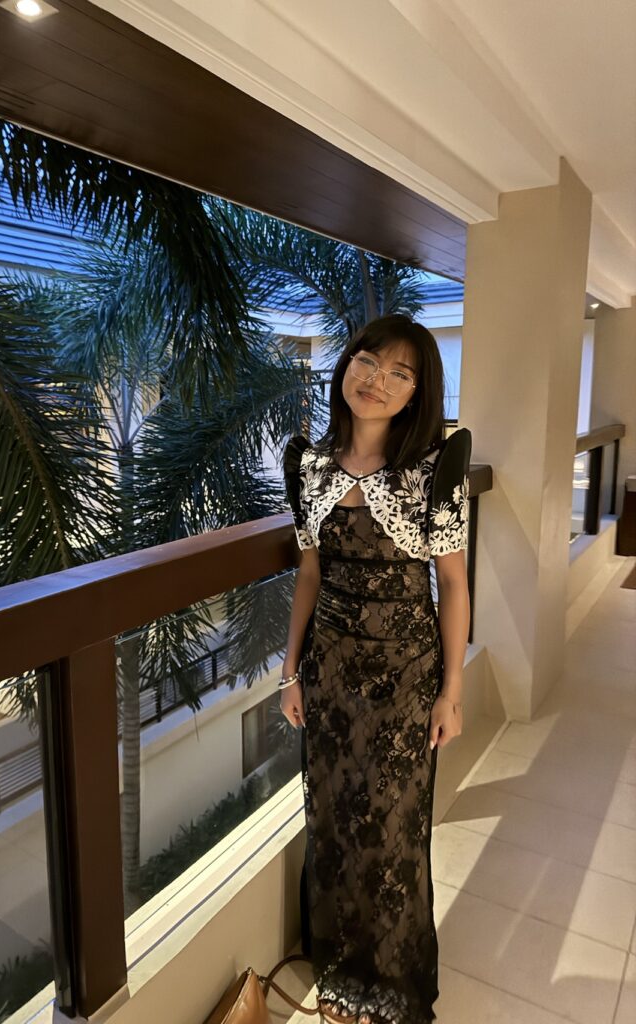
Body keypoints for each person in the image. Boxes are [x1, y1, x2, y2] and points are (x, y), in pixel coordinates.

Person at [280, 314, 472, 1024]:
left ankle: (390, 986)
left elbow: (452, 585)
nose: (377, 381)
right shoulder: (309, 466)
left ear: (418, 392)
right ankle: (342, 971)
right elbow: (308, 574)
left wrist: (451, 690)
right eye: (367, 361)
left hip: (406, 676)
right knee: (333, 819)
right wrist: (291, 671)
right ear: (346, 366)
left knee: (393, 831)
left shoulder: (433, 470)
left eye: (400, 373)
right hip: (330, 671)